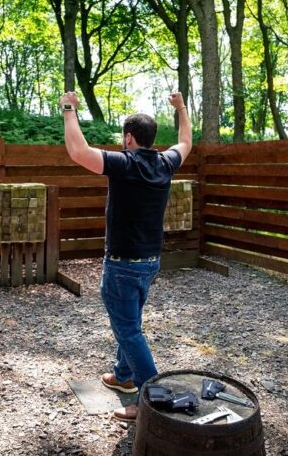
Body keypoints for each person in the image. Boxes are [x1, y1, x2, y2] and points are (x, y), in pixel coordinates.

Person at [60, 90, 191, 422]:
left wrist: (68, 108)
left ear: (129, 138)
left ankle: (152, 400)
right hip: (150, 263)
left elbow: (78, 151)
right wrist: (181, 108)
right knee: (130, 322)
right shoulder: (165, 163)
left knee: (129, 330)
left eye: (123, 137)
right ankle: (123, 375)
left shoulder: (124, 163)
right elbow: (186, 142)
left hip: (122, 266)